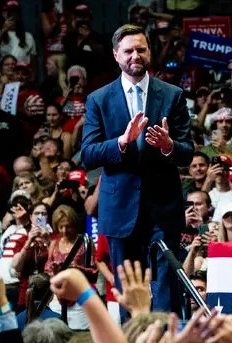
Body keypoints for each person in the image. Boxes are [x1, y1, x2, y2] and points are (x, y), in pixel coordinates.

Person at [81, 24, 193, 315]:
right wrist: (121, 141)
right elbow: (88, 154)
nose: (135, 55)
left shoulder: (173, 95)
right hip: (120, 209)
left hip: (163, 210)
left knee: (167, 290)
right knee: (130, 294)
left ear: (149, 52)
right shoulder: (99, 99)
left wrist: (169, 145)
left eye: (141, 49)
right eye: (128, 50)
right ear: (116, 55)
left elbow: (187, 152)